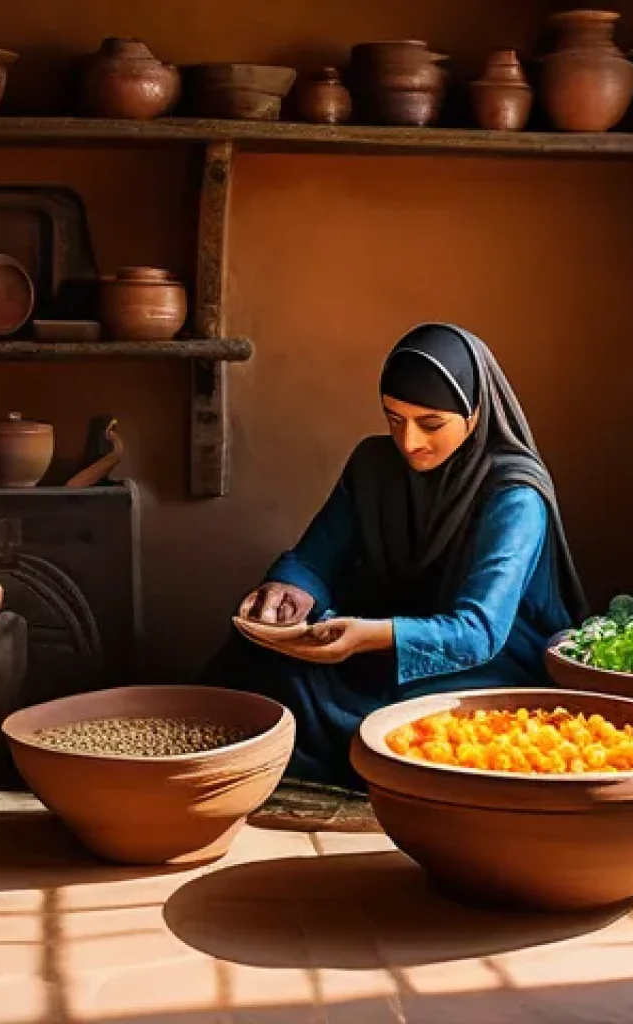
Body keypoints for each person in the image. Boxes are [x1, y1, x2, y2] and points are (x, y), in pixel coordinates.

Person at [198, 322, 588, 788]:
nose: (410, 442)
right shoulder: (374, 464)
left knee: (405, 724)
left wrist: (371, 637)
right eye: (394, 418)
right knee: (254, 663)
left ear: (476, 412)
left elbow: (479, 631)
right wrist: (289, 590)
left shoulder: (515, 496)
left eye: (431, 424)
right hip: (381, 627)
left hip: (484, 657)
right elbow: (316, 557)